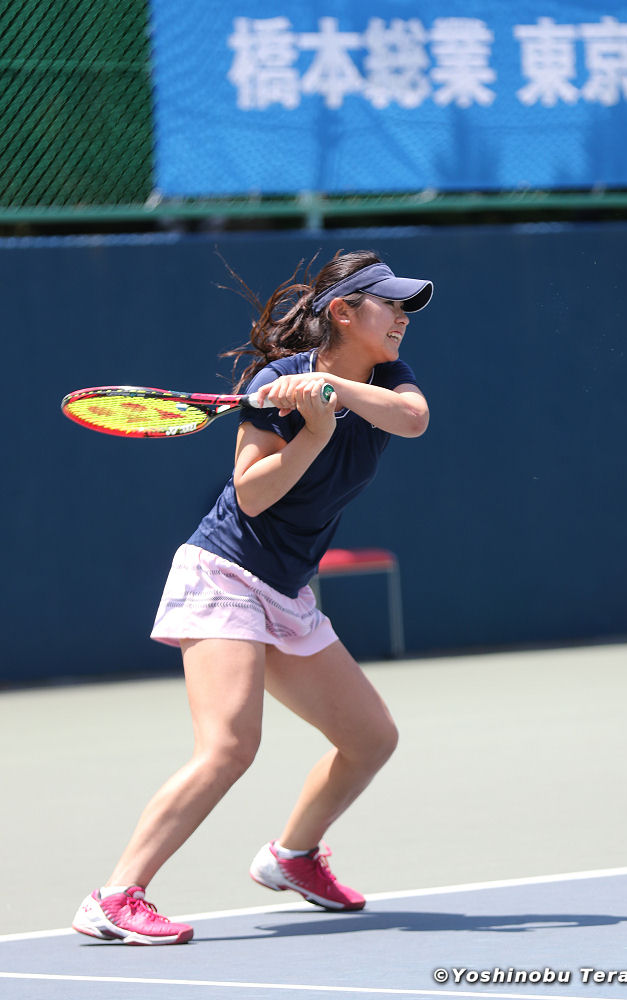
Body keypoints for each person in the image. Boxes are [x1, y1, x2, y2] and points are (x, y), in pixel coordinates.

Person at [72, 249, 433, 945]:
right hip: (225, 575)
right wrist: (314, 431)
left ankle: (291, 856)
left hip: (285, 589)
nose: (401, 319)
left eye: (404, 308)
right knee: (230, 746)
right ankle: (114, 896)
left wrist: (334, 393)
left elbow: (411, 419)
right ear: (343, 311)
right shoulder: (274, 382)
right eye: (388, 304)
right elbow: (252, 495)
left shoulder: (389, 379)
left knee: (370, 738)